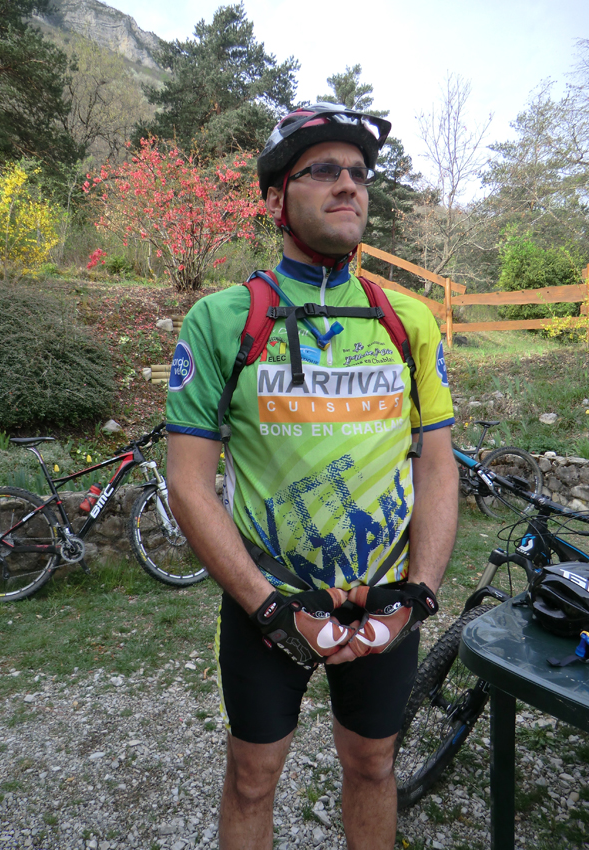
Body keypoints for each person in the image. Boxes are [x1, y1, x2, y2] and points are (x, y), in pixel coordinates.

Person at [165, 103, 459, 850]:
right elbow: (189, 483)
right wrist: (268, 610)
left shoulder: (409, 321)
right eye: (322, 169)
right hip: (268, 597)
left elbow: (437, 463)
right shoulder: (221, 320)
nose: (348, 184)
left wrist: (420, 595)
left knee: (374, 763)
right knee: (252, 777)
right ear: (274, 199)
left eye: (358, 172)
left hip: (385, 594)